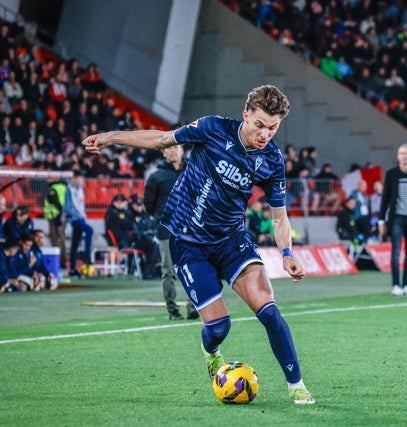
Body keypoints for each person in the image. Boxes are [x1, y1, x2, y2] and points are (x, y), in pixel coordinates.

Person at [82, 84, 314, 404]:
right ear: (245, 115)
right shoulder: (212, 128)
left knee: (269, 311)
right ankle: (211, 349)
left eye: (273, 128)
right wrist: (109, 137)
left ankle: (297, 385)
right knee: (219, 326)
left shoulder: (272, 159)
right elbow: (161, 139)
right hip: (188, 241)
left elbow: (279, 217)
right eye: (259, 124)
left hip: (232, 240)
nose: (265, 134)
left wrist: (288, 254)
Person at [144, 144, 199, 320]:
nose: (172, 150)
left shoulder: (194, 169)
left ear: (182, 150)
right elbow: (149, 205)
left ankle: (193, 306)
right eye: (167, 148)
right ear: (163, 152)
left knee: (194, 268)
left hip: (191, 228)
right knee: (168, 271)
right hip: (166, 229)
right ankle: (173, 311)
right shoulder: (156, 176)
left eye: (175, 147)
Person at [377, 144, 407, 296]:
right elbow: (385, 198)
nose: (405, 156)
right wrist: (381, 220)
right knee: (395, 252)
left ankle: (406, 284)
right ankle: (396, 284)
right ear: (398, 156)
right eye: (402, 153)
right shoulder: (391, 174)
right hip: (396, 218)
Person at [64, 170, 94, 277]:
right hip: (75, 219)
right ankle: (87, 255)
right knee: (89, 230)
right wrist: (78, 215)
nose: (81, 180)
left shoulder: (80, 189)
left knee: (75, 243)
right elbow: (67, 207)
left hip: (80, 218)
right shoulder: (69, 190)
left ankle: (72, 268)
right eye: (79, 178)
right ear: (74, 178)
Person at [43, 179, 68, 271]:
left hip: (55, 217)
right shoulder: (65, 188)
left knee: (56, 239)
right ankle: (62, 262)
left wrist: (59, 216)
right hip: (63, 217)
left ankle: (59, 262)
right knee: (61, 238)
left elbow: (56, 203)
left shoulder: (53, 189)